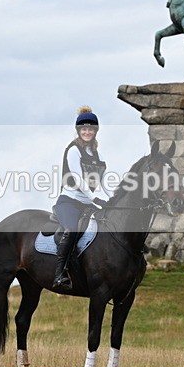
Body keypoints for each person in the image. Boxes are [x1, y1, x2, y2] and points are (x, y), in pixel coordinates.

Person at [52, 106, 111, 289]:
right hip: (69, 201)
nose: (87, 132)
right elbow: (77, 178)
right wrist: (94, 198)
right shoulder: (73, 150)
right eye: (84, 129)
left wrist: (113, 199)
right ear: (79, 131)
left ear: (95, 131)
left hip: (87, 203)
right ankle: (60, 273)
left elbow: (103, 182)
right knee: (72, 230)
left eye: (90, 129)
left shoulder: (98, 155)